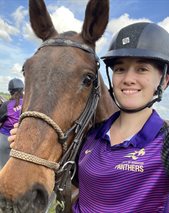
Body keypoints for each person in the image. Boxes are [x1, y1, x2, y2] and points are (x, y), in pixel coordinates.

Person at [8, 22, 169, 212]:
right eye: (120, 69)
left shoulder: (164, 144)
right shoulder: (91, 136)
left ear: (164, 80)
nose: (128, 79)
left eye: (142, 69)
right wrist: (30, 142)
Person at [0, 78, 24, 169]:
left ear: (10, 91)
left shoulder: (7, 104)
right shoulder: (27, 102)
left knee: (3, 166)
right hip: (21, 138)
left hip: (5, 138)